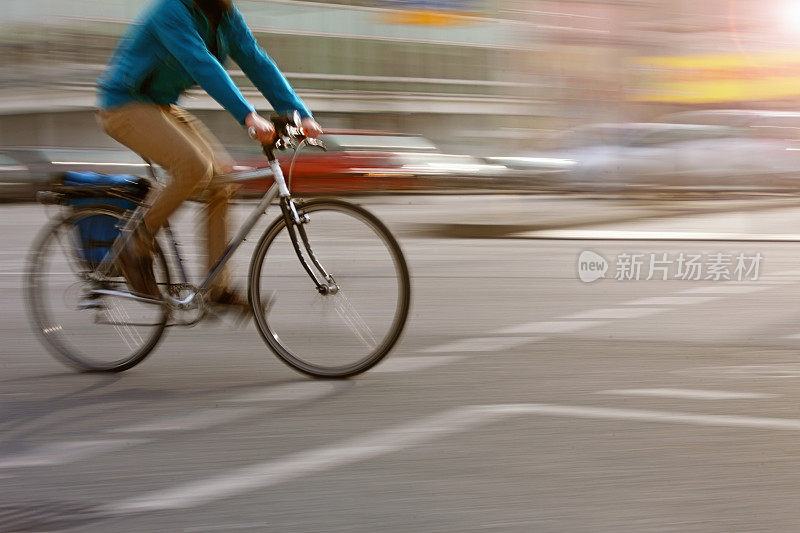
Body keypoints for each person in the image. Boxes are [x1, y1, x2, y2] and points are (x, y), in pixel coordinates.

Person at [96, 0, 322, 306]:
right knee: (193, 167)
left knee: (224, 179)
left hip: (160, 104)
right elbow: (201, 63)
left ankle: (217, 288)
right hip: (124, 103)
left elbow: (257, 61)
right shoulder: (171, 10)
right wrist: (247, 115)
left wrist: (300, 113)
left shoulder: (226, 16)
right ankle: (134, 244)